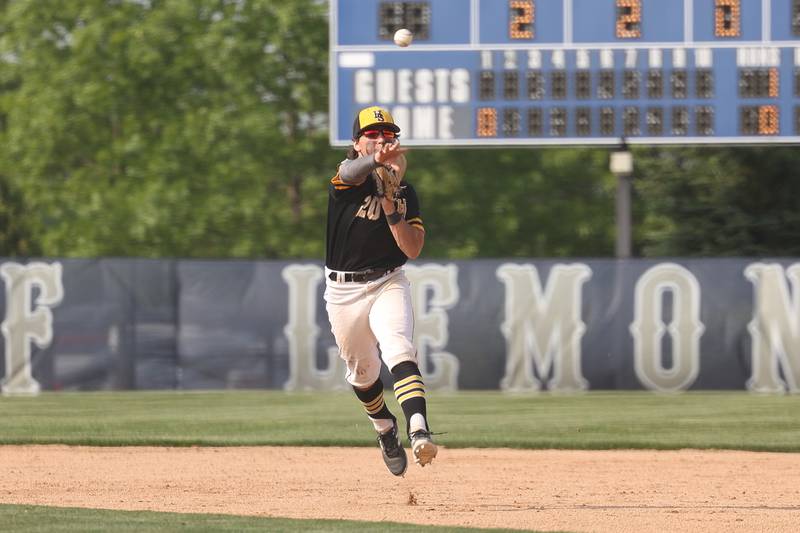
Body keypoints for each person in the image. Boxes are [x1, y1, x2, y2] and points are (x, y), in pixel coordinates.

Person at [324, 105, 436, 476]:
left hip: (388, 279)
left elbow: (412, 249)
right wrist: (374, 164)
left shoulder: (406, 192)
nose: (381, 140)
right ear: (356, 143)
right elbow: (348, 171)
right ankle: (385, 428)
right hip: (343, 290)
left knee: (400, 347)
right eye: (372, 135)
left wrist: (391, 203)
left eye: (388, 135)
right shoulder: (348, 181)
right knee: (363, 374)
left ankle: (419, 429)